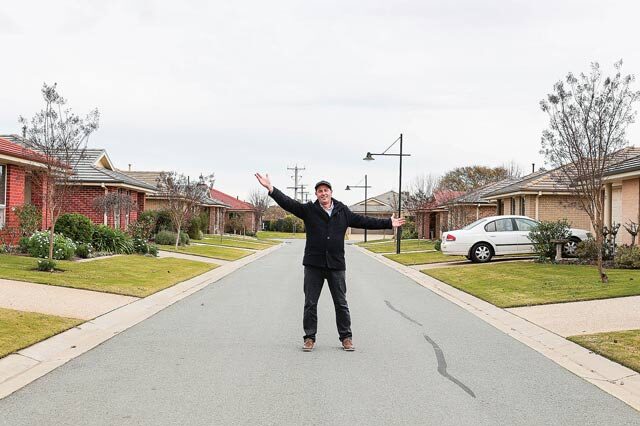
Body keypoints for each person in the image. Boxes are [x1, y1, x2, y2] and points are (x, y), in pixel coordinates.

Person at [255, 173, 405, 352]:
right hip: (313, 265)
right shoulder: (309, 210)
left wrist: (388, 223)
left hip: (336, 265)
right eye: (320, 191)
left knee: (341, 303)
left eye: (326, 190)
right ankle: (309, 338)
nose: (323, 193)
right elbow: (288, 203)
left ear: (331, 192)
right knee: (310, 303)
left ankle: (346, 338)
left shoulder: (343, 211)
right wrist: (271, 189)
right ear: (316, 194)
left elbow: (365, 221)